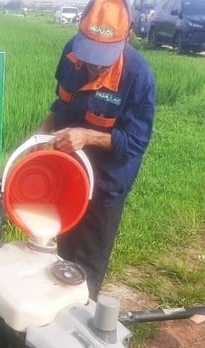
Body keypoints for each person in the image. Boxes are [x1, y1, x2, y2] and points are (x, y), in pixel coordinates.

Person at [33, 0, 156, 300]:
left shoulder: (138, 77)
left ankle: (80, 320)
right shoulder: (71, 54)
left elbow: (135, 142)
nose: (95, 65)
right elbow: (61, 103)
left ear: (126, 38)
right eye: (91, 54)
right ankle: (52, 312)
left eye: (103, 57)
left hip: (106, 182)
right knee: (63, 249)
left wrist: (88, 136)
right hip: (68, 170)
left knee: (87, 261)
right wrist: (41, 132)